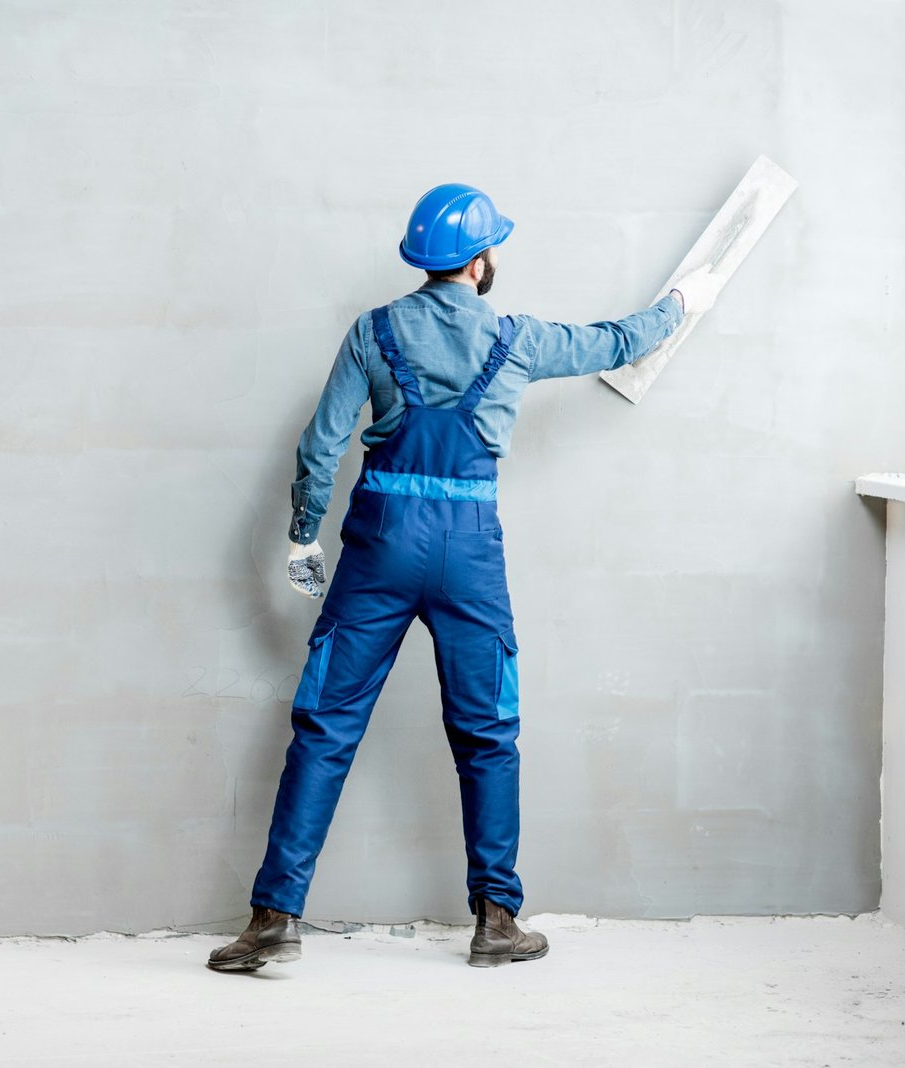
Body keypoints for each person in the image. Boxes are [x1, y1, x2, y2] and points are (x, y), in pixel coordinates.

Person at [208, 183, 720, 972]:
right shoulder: (520, 339)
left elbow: (320, 445)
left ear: (424, 260)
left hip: (378, 543)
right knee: (488, 734)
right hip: (470, 548)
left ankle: (273, 918)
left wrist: (303, 535)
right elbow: (616, 341)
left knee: (324, 726)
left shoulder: (373, 331)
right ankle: (496, 920)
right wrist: (680, 304)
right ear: (481, 261)